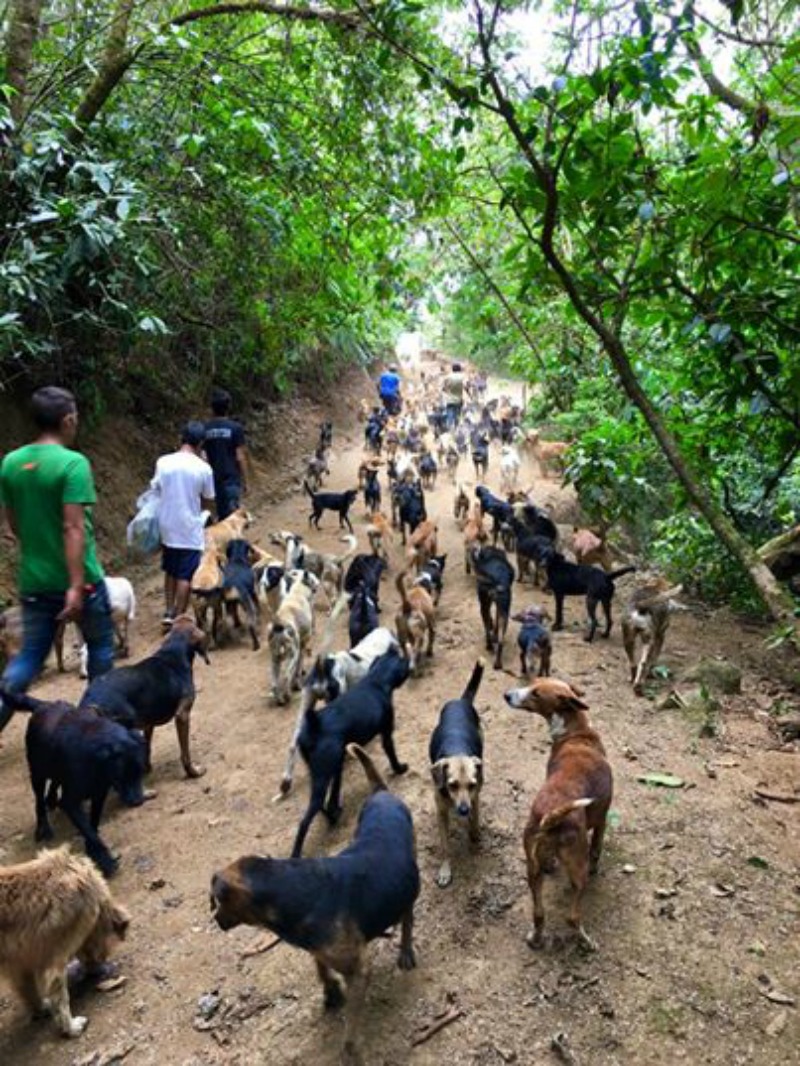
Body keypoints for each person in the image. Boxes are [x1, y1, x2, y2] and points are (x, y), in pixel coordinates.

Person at [0, 386, 115, 736]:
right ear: (67, 420)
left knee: (29, 658)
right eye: (75, 417)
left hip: (34, 580)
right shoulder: (72, 464)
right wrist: (75, 585)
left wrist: (39, 553)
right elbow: (73, 527)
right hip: (80, 581)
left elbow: (13, 524)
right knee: (100, 649)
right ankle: (93, 727)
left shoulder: (11, 463)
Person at [151, 422, 215, 627]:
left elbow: (155, 490)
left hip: (167, 524)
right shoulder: (203, 468)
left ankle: (168, 611)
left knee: (170, 570)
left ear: (181, 439)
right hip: (190, 527)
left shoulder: (163, 462)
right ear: (201, 444)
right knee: (185, 575)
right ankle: (180, 615)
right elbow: (208, 499)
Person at [204, 388, 248, 520]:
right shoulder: (235, 428)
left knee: (220, 518)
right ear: (228, 407)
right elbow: (240, 457)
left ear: (212, 408)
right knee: (233, 520)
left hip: (213, 482)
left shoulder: (206, 429)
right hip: (231, 480)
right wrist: (246, 481)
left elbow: (203, 458)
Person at [442, 361, 467, 429]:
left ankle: (450, 425)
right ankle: (456, 427)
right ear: (460, 369)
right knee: (457, 413)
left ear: (452, 369)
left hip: (449, 399)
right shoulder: (463, 376)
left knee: (450, 412)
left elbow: (444, 388)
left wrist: (447, 390)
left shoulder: (448, 377)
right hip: (459, 399)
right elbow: (465, 386)